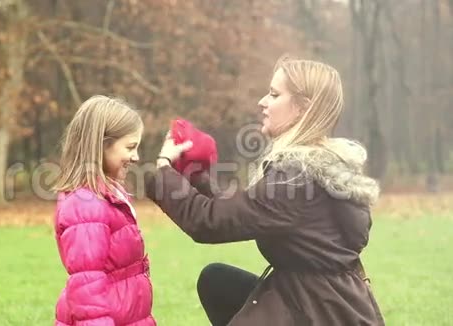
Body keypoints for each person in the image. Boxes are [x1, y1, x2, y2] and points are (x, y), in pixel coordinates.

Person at [145, 57, 385, 325]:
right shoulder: (314, 168)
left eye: (274, 94)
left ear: (302, 108)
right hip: (327, 304)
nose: (262, 102)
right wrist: (195, 176)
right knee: (218, 282)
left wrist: (163, 170)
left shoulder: (295, 179)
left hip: (317, 312)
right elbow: (245, 209)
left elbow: (210, 223)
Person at [52, 95, 156, 326]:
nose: (136, 157)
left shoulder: (109, 195)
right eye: (130, 147)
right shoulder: (85, 205)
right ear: (102, 144)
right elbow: (86, 283)